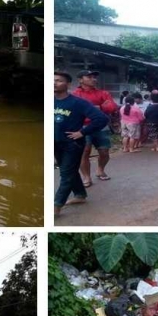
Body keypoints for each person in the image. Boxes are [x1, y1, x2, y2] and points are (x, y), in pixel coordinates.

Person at [54, 71, 109, 218]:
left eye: (58, 80)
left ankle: (56, 206)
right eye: (52, 80)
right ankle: (79, 194)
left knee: (66, 174)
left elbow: (101, 119)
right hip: (55, 144)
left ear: (68, 84)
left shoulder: (78, 102)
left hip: (72, 145)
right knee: (69, 172)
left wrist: (82, 132)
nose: (54, 83)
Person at [71, 70, 117, 186]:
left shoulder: (103, 93)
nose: (94, 79)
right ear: (81, 80)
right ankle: (86, 177)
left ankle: (100, 169)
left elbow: (111, 107)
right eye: (89, 77)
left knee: (104, 151)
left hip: (100, 125)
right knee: (84, 152)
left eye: (94, 77)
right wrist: (98, 107)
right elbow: (73, 110)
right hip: (82, 126)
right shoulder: (74, 94)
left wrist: (95, 107)